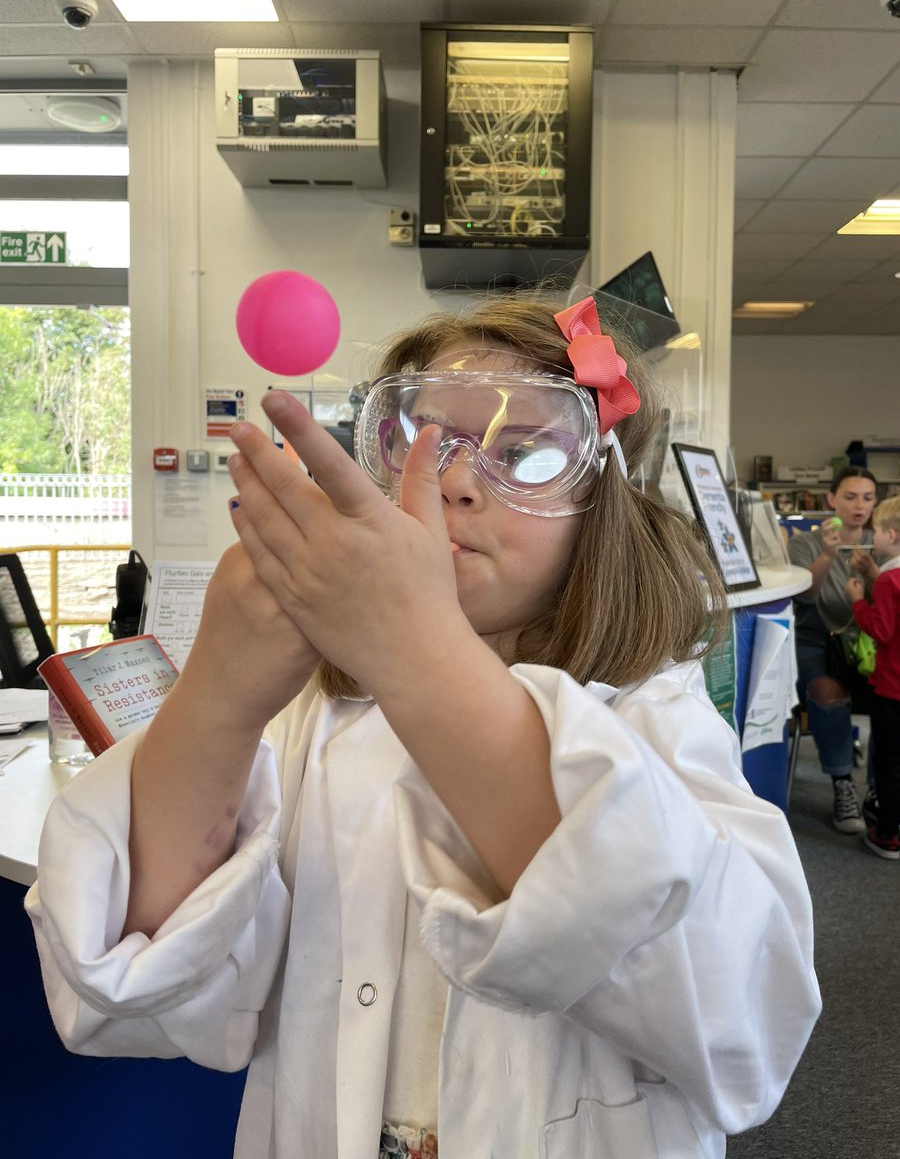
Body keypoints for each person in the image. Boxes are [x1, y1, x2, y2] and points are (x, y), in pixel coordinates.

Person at [26, 295, 820, 1159]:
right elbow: (134, 992)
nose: (455, 481)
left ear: (599, 501)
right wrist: (219, 696)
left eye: (526, 452)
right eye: (417, 443)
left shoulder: (654, 711)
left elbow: (746, 1025)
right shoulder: (312, 721)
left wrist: (416, 651)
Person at [787, 466, 878, 833]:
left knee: (892, 695)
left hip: (868, 641)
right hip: (816, 638)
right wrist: (827, 555)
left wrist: (872, 573)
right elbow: (806, 594)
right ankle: (843, 783)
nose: (859, 506)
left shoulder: (883, 539)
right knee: (826, 692)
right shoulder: (804, 542)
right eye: (851, 497)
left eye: (868, 498)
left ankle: (881, 790)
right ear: (832, 500)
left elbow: (891, 603)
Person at [847, 495, 900, 858]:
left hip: (892, 689)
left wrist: (857, 601)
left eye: (878, 531)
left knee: (889, 763)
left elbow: (880, 631)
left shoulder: (886, 582)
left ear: (892, 535)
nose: (873, 535)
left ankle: (887, 834)